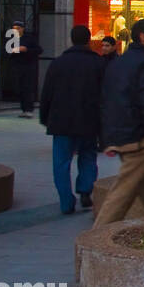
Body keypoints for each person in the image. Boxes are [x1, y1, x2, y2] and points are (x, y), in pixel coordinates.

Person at [94, 19, 144, 227]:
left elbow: (107, 99)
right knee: (125, 189)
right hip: (138, 137)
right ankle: (96, 235)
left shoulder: (119, 62)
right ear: (143, 37)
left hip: (124, 132)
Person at [39, 25, 103, 214]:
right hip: (89, 120)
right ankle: (85, 190)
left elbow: (47, 94)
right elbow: (107, 94)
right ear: (89, 39)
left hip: (61, 121)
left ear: (71, 39)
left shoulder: (58, 63)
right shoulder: (98, 64)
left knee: (61, 162)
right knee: (88, 156)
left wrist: (45, 117)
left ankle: (66, 201)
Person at [6, 20, 42, 117]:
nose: (16, 31)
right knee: (20, 88)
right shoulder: (12, 39)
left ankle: (28, 109)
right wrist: (13, 51)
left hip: (28, 66)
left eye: (18, 28)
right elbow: (7, 52)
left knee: (27, 88)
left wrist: (26, 50)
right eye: (14, 29)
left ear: (22, 29)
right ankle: (24, 109)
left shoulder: (29, 39)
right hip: (17, 66)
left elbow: (38, 50)